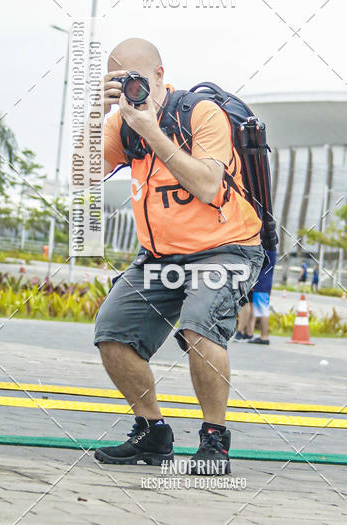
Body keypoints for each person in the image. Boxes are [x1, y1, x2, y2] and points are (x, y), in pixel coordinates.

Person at [93, 38, 264, 474]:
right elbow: (80, 174)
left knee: (199, 327)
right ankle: (152, 433)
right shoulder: (120, 124)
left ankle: (214, 441)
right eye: (120, 82)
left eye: (138, 81)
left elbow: (208, 186)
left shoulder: (201, 114)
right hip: (161, 256)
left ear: (159, 76)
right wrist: (97, 110)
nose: (132, 91)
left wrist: (153, 130)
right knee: (113, 332)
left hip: (226, 249)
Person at [247, 250, 276, 345]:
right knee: (264, 309)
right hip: (266, 283)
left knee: (263, 310)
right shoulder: (272, 251)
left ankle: (264, 336)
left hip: (261, 284)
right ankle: (264, 335)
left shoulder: (265, 252)